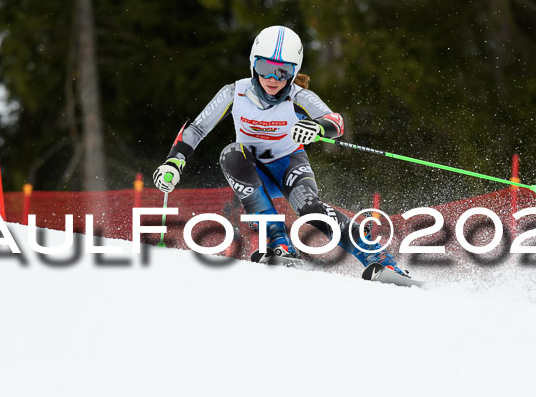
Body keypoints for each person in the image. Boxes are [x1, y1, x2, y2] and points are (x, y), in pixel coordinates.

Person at [153, 25, 406, 277]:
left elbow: (336, 122)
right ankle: (279, 245)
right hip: (252, 171)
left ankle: (379, 258)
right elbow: (197, 129)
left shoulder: (298, 96)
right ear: (253, 65)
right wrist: (174, 162)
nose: (273, 79)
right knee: (230, 153)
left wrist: (316, 127)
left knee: (311, 210)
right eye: (265, 69)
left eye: (283, 71)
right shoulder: (234, 92)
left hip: (288, 166)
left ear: (294, 72)